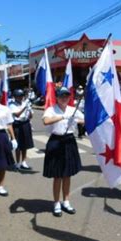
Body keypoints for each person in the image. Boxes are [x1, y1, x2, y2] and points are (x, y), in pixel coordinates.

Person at [42, 87, 84, 217]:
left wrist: (76, 120)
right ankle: (56, 203)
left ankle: (66, 201)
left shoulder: (73, 109)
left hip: (69, 141)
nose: (64, 98)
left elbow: (85, 120)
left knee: (67, 174)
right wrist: (62, 117)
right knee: (57, 175)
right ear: (57, 97)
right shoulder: (51, 109)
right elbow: (46, 121)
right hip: (56, 141)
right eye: (61, 96)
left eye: (66, 96)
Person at [9, 89, 34, 170]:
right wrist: (25, 107)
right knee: (18, 145)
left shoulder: (25, 103)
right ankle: (17, 163)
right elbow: (17, 115)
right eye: (18, 96)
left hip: (25, 124)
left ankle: (24, 162)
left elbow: (30, 117)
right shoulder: (12, 104)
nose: (20, 97)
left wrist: (29, 109)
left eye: (21, 96)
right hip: (17, 125)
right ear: (15, 97)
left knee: (25, 144)